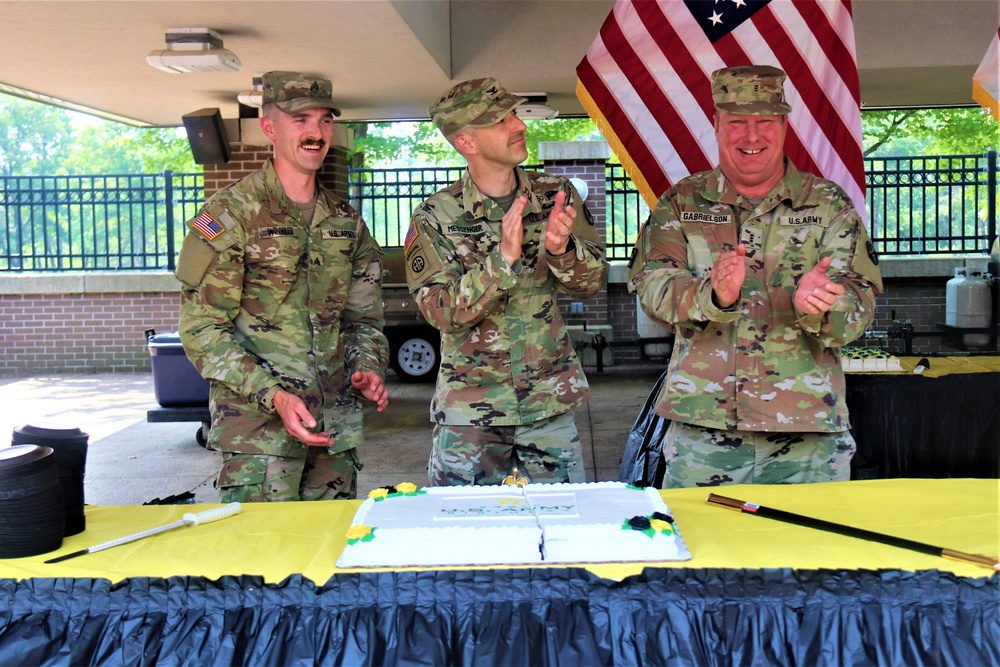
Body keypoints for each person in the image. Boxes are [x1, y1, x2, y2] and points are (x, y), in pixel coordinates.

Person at [627, 65, 883, 488]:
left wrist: (824, 306)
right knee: (703, 551)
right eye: (737, 123)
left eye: (764, 122)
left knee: (807, 553)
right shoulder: (682, 201)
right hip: (702, 432)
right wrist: (711, 295)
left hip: (807, 435)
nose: (751, 137)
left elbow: (858, 310)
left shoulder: (829, 204)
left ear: (783, 125)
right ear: (716, 124)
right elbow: (653, 289)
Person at [175, 71, 389, 502]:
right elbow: (202, 331)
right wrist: (273, 396)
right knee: (258, 562)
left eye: (325, 120)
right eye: (301, 119)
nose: (316, 132)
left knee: (328, 557)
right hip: (258, 438)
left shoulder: (346, 221)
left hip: (333, 432)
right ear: (269, 127)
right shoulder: (227, 215)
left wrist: (367, 367)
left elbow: (363, 320)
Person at [405, 77, 609, 486]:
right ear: (467, 143)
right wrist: (502, 261)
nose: (519, 125)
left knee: (563, 530)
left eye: (515, 114)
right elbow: (440, 311)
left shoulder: (557, 195)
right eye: (500, 120)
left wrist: (561, 251)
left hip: (548, 405)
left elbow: (592, 284)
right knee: (466, 537)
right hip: (470, 415)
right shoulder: (434, 216)